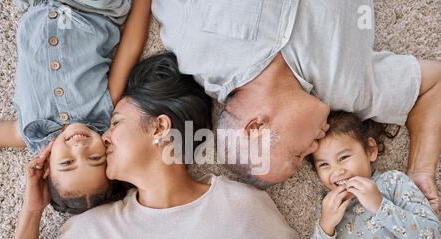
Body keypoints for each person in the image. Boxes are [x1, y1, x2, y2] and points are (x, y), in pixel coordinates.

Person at [4, 53, 316, 239]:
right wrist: (32, 212)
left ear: (160, 128)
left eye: (116, 123)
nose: (105, 137)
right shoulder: (91, 233)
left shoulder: (246, 209)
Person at [149, 0, 441, 212]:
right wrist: (421, 172)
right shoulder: (351, 92)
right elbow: (433, 87)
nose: (316, 149)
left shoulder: (194, 47)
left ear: (257, 127)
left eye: (297, 154)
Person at [0, 0, 151, 213]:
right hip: (91, 10)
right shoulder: (104, 110)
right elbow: (129, 49)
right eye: (94, 158)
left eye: (67, 162)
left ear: (47, 168)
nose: (79, 149)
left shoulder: (29, 133)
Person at [304, 111, 440, 239]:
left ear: (370, 150)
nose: (336, 171)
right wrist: (326, 225)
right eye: (324, 165)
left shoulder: (392, 182)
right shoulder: (329, 208)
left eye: (343, 158)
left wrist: (380, 205)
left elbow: (434, 238)